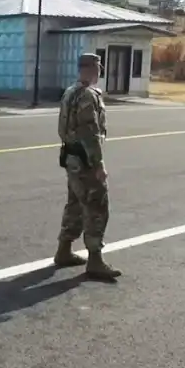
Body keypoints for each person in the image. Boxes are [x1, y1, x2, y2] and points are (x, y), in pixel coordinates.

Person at [53, 53, 122, 280]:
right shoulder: (88, 95)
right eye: (99, 68)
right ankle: (95, 260)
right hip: (85, 159)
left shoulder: (70, 92)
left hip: (71, 156)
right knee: (97, 206)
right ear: (95, 69)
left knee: (75, 203)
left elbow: (62, 127)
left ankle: (64, 250)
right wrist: (98, 164)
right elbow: (90, 133)